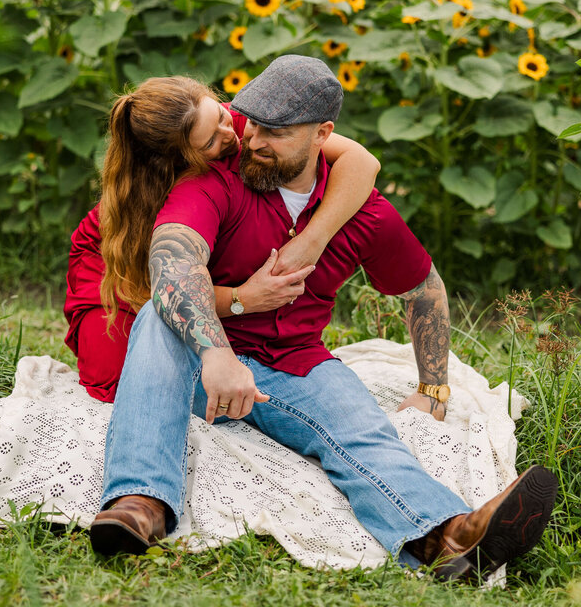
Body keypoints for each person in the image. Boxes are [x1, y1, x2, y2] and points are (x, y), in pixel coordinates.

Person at [89, 55, 557, 584]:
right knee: (158, 313)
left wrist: (433, 387)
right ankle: (139, 503)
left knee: (364, 431)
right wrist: (218, 351)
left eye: (277, 132)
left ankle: (447, 536)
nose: (253, 139)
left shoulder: (363, 209)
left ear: (322, 134)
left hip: (297, 362)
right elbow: (172, 263)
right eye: (252, 122)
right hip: (200, 360)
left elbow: (424, 290)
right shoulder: (215, 178)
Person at [64, 76, 382, 402]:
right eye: (210, 143)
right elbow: (166, 289)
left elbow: (362, 162)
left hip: (197, 258)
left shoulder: (237, 122)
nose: (232, 136)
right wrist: (243, 298)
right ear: (178, 160)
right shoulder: (146, 190)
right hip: (123, 266)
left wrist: (312, 242)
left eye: (220, 116)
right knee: (125, 384)